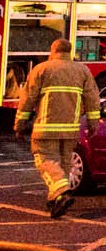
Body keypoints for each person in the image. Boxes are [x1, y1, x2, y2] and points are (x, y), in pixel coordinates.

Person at [13, 39, 100, 218]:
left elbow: (27, 100)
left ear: (52, 51)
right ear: (70, 52)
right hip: (71, 129)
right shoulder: (82, 70)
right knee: (63, 163)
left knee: (45, 160)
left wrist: (19, 125)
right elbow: (92, 99)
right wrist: (93, 125)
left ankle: (61, 192)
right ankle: (55, 198)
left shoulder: (41, 69)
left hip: (46, 127)